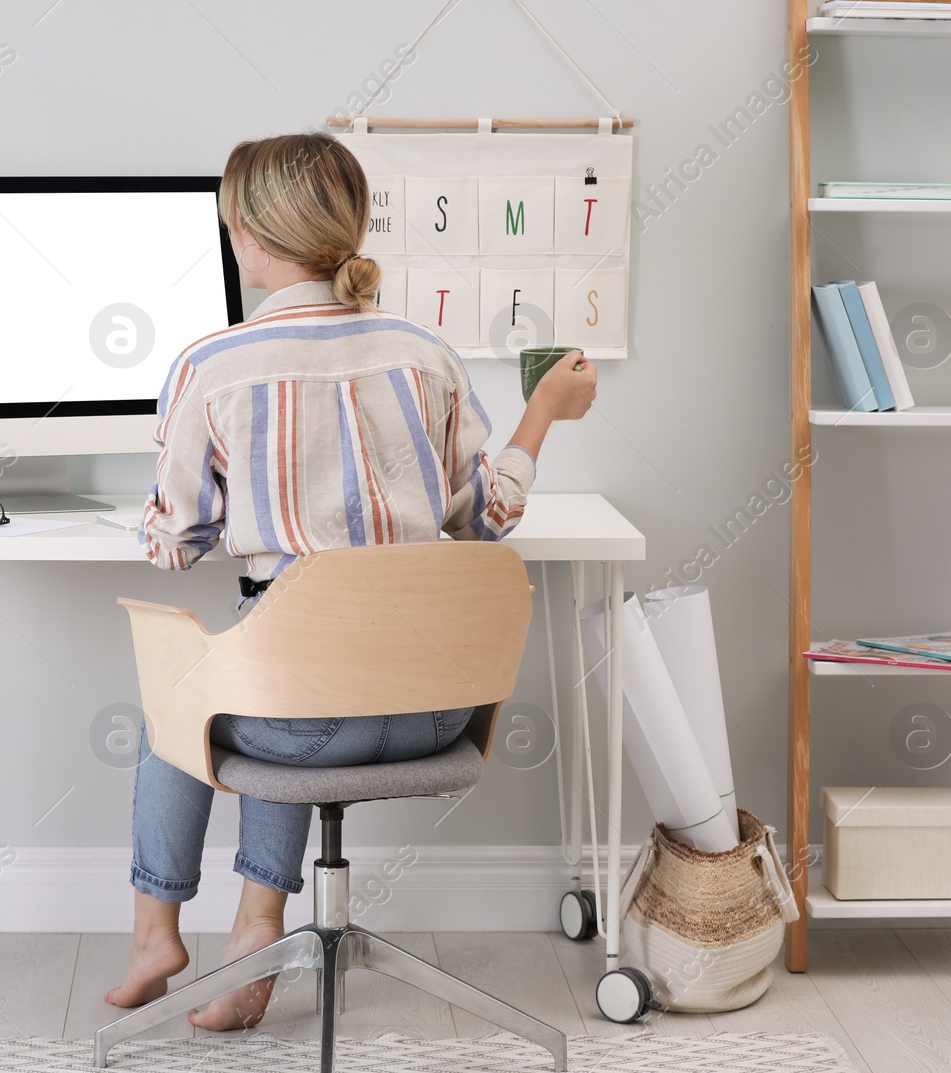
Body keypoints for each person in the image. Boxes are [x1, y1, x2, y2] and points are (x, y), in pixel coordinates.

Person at [107, 132, 598, 1030]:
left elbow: (177, 542)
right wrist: (542, 412)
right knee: (278, 666)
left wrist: (175, 511)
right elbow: (483, 517)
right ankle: (257, 934)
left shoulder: (210, 365)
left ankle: (157, 931)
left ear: (248, 234)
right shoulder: (423, 352)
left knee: (196, 685)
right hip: (442, 709)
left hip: (306, 724)